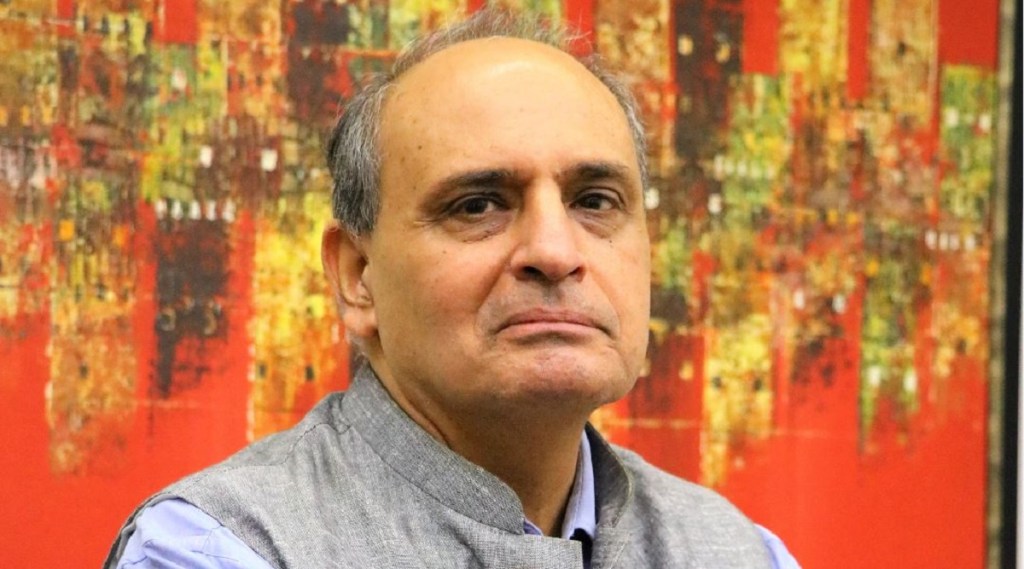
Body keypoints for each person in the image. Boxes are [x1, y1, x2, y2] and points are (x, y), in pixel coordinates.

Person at [105, 9, 800, 569]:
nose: (555, 252)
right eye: (477, 205)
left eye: (594, 200)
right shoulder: (219, 548)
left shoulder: (742, 553)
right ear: (358, 276)